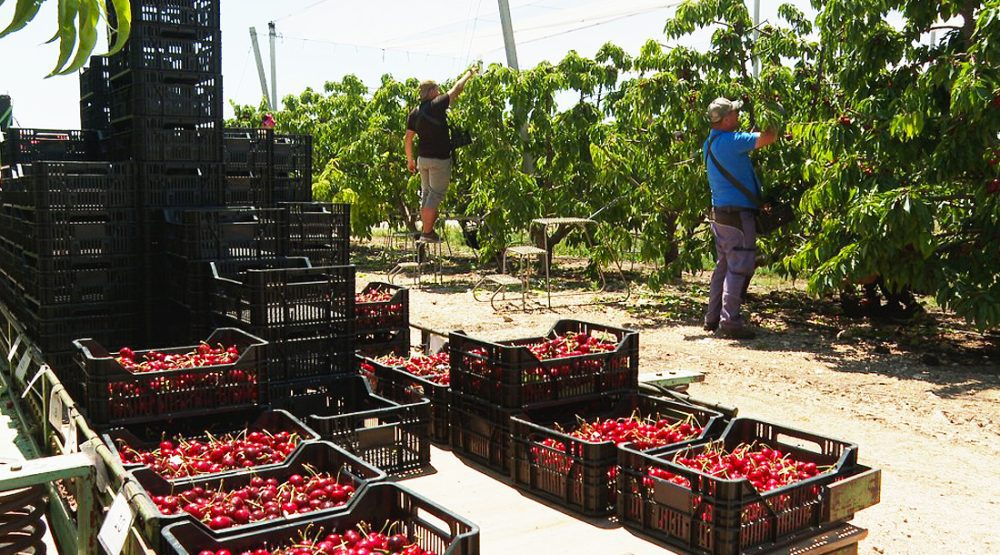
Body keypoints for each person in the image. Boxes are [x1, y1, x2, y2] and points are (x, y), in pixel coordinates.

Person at [703, 97, 780, 339]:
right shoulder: (732, 141)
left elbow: (750, 137)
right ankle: (731, 323)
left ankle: (712, 318)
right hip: (738, 216)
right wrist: (775, 111)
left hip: (720, 215)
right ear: (726, 119)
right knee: (740, 267)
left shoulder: (711, 142)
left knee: (724, 266)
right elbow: (770, 137)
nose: (738, 116)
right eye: (735, 113)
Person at [404, 66, 478, 243]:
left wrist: (410, 160)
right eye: (437, 88)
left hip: (423, 159)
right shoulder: (436, 105)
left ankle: (427, 230)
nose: (439, 91)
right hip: (439, 159)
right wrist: (469, 73)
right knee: (435, 195)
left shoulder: (414, 113)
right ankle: (427, 232)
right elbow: (457, 89)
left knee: (427, 193)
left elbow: (407, 139)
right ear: (430, 91)